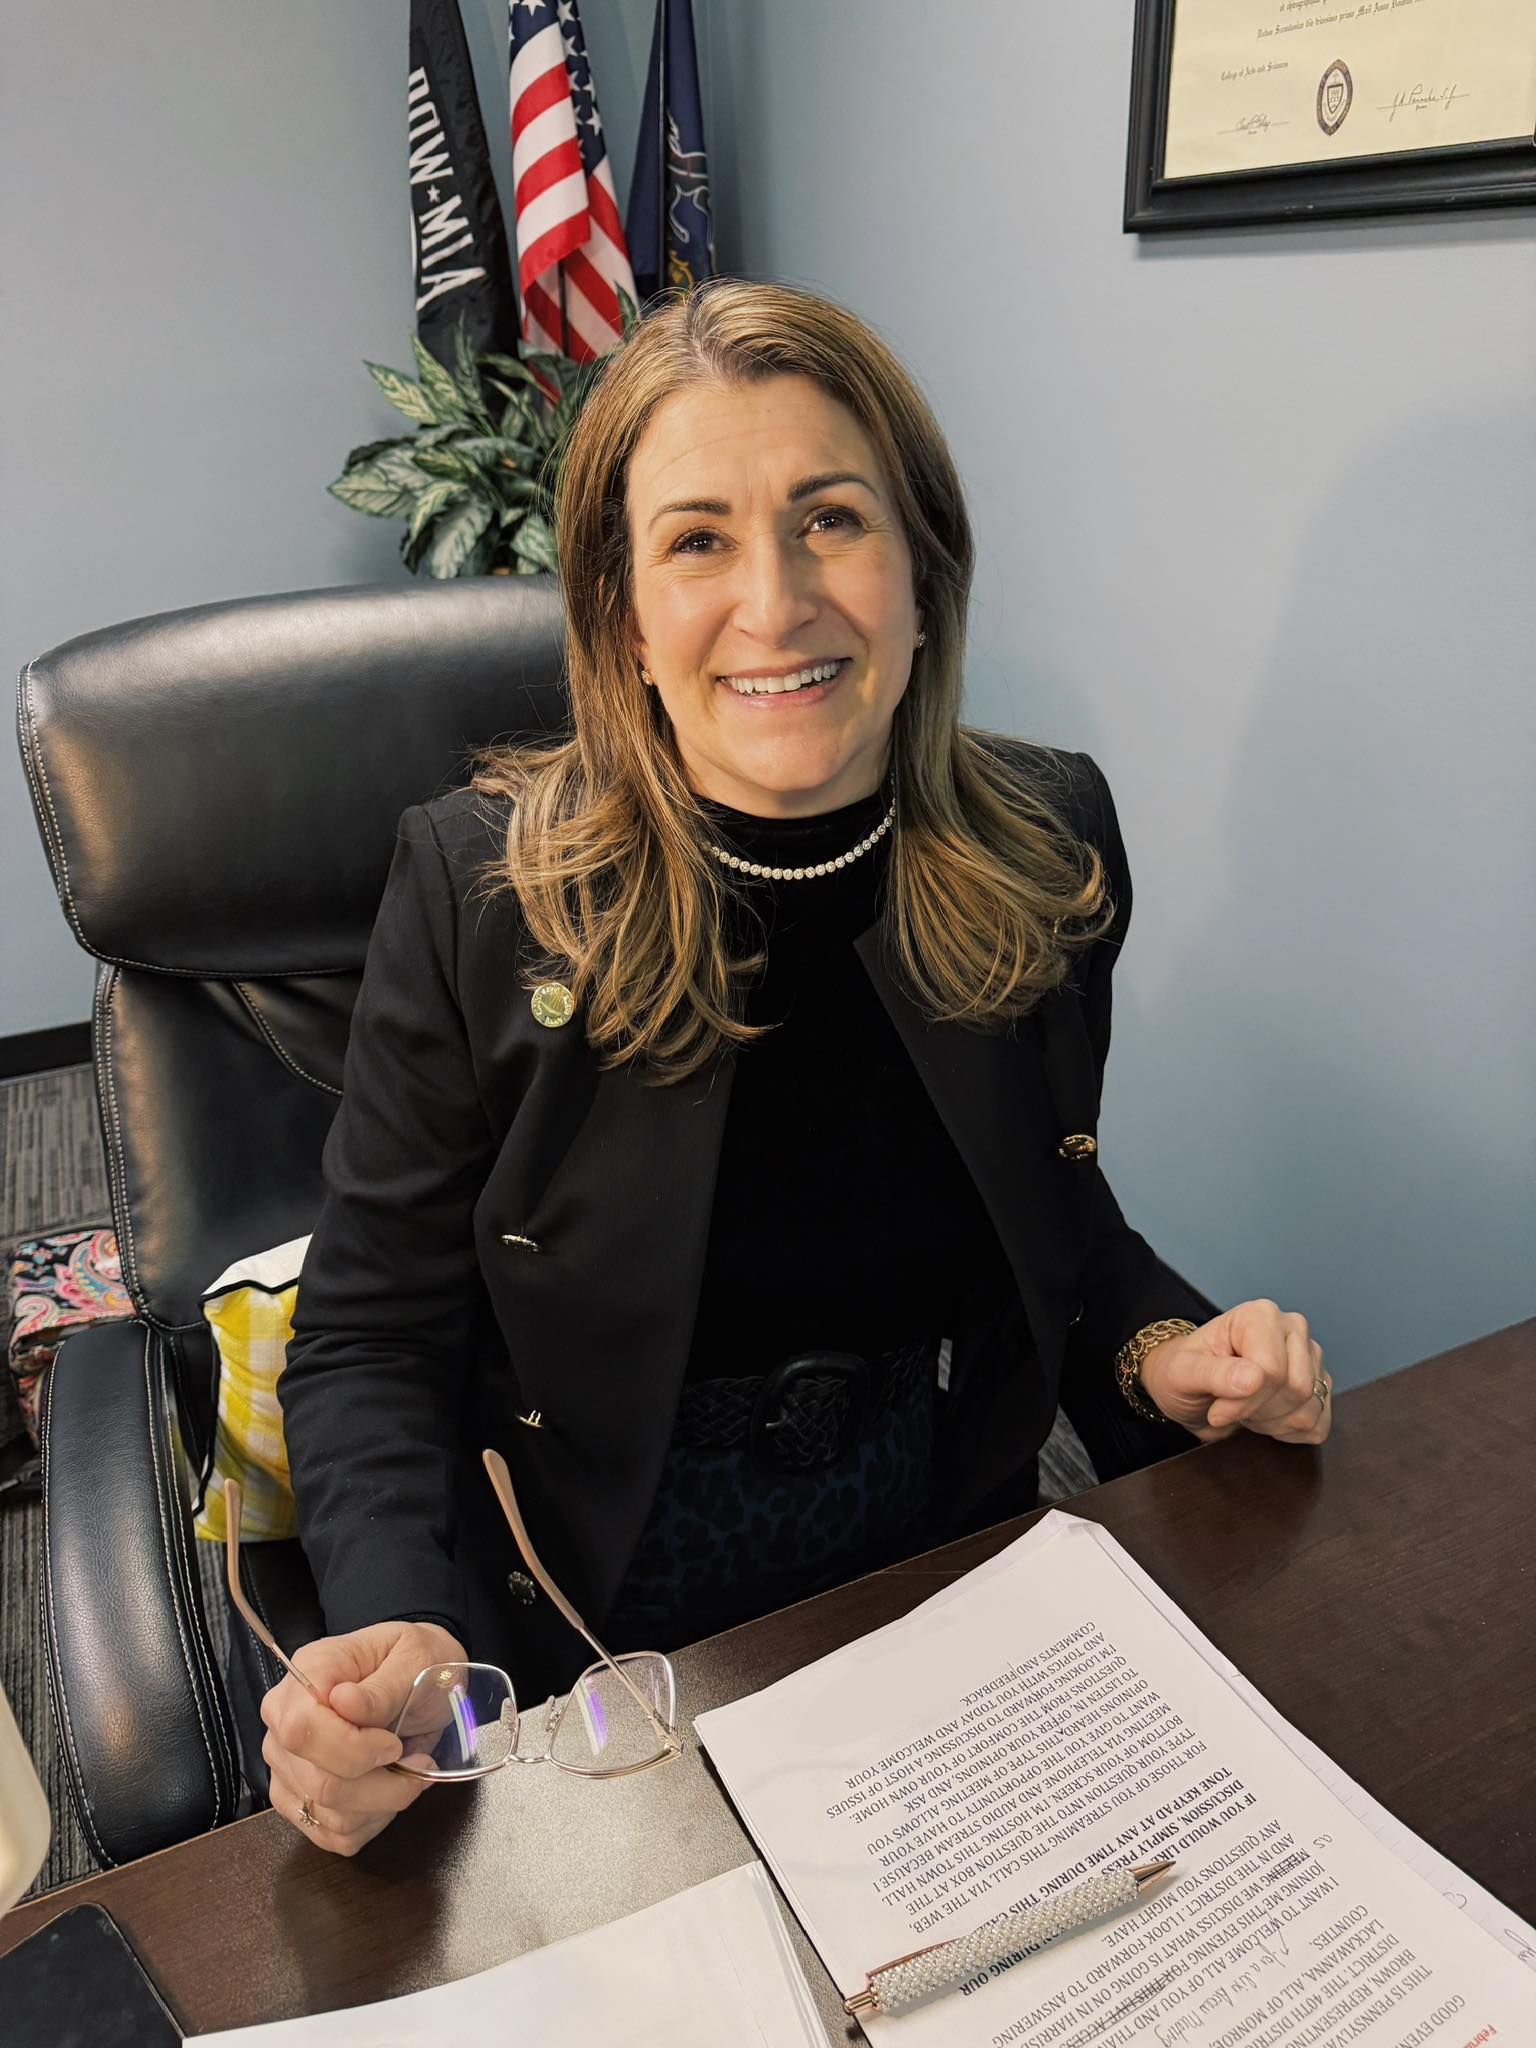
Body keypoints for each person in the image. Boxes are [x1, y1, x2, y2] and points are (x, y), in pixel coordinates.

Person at [259, 278, 1331, 1857]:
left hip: (939, 1571)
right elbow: (370, 1338)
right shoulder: (485, 892)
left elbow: (1055, 1213)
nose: (774, 603)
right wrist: (405, 1635)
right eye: (698, 540)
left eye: (831, 520)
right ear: (623, 612)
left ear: (924, 572)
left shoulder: (1045, 845)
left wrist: (1166, 1352)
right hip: (598, 1619)